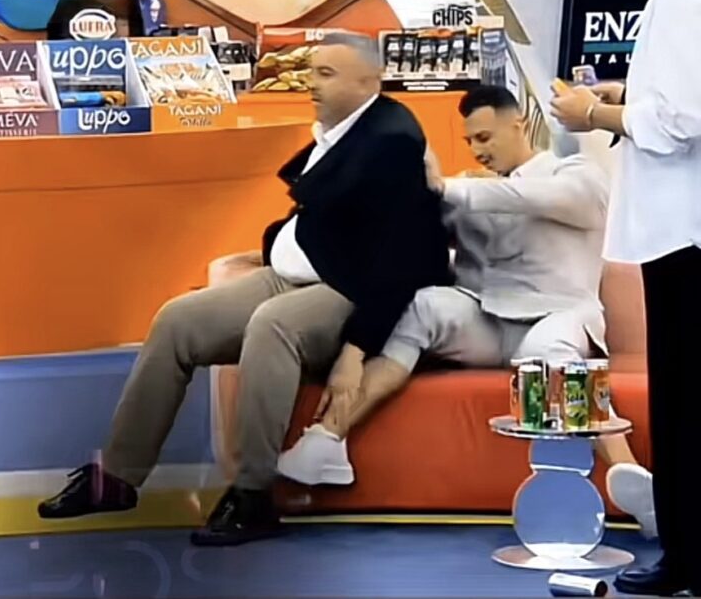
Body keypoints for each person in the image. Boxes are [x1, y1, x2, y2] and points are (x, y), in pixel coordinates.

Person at [38, 34, 451, 546]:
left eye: (326, 74)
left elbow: (401, 260)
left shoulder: (393, 141)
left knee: (273, 325)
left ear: (369, 81)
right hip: (298, 274)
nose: (311, 84)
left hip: (351, 290)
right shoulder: (341, 130)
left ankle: (253, 495)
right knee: (179, 320)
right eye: (312, 71)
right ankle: (119, 477)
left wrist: (355, 351)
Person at [280, 86, 655, 534]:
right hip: (487, 320)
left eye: (485, 137)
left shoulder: (575, 175)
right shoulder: (467, 190)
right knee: (424, 305)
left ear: (517, 124)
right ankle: (327, 438)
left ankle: (632, 479)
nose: (478, 150)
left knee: (546, 350)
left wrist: (451, 189)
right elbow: (416, 236)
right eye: (471, 141)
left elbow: (531, 199)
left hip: (558, 315)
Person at [552, 0, 701, 596]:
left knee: (684, 402)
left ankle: (690, 559)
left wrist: (594, 113)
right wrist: (627, 97)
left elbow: (680, 121)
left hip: (684, 228)